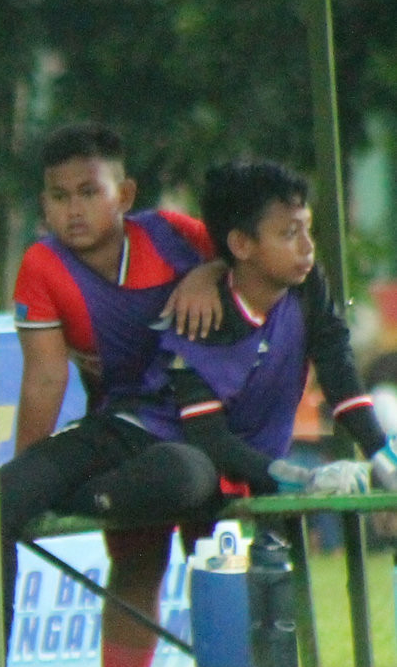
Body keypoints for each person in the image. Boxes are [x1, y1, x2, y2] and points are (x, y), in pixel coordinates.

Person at [0, 123, 224, 667]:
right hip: (119, 429)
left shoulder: (177, 236)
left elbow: (253, 264)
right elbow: (45, 380)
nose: (73, 209)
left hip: (207, 428)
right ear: (42, 205)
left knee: (210, 546)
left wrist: (207, 274)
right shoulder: (42, 264)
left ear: (125, 193)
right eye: (59, 196)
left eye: (89, 192)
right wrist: (26, 481)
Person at [115, 159, 395, 512]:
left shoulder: (306, 286)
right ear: (243, 244)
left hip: (264, 467)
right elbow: (208, 437)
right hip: (184, 461)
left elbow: (338, 366)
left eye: (307, 230)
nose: (308, 247)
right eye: (290, 233)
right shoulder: (197, 315)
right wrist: (298, 477)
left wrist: (381, 453)